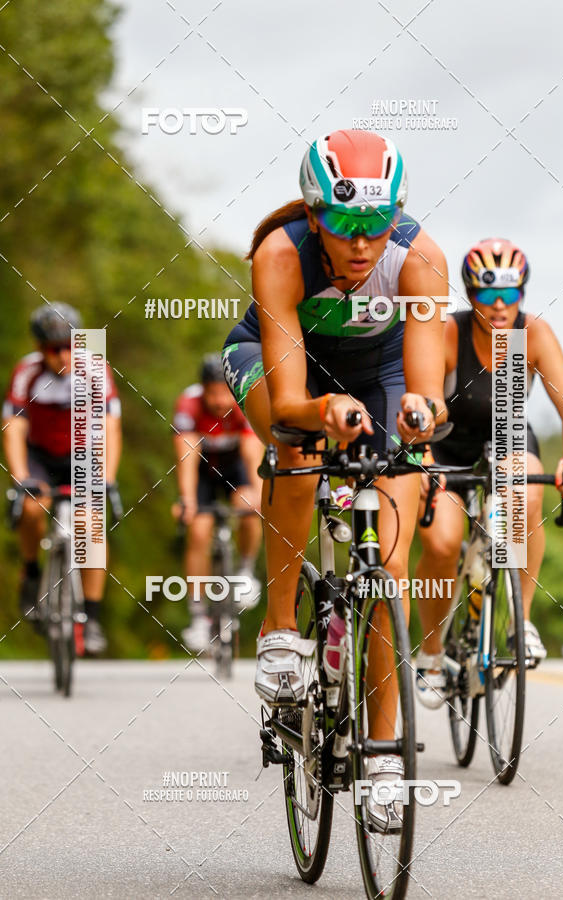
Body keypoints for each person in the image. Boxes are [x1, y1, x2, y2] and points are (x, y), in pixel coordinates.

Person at [222, 128, 448, 829]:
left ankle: (384, 755)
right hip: (282, 364)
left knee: (389, 557)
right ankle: (282, 631)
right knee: (298, 446)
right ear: (316, 214)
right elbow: (291, 404)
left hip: (377, 373)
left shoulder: (420, 261)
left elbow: (426, 394)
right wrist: (323, 409)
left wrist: (419, 418)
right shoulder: (281, 253)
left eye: (375, 225)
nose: (360, 243)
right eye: (345, 225)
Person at [414, 238, 563, 708]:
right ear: (470, 296)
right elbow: (427, 404)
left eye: (509, 295)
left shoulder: (534, 334)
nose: (499, 306)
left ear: (522, 294)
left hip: (507, 435)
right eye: (487, 296)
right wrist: (425, 462)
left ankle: (518, 620)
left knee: (525, 496)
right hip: (448, 441)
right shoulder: (450, 332)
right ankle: (431, 654)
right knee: (442, 543)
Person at [2, 303, 122, 654]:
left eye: (72, 345)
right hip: (40, 456)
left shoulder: (96, 371)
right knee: (32, 508)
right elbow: (13, 427)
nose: (64, 355)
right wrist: (20, 476)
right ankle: (30, 573)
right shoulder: (26, 372)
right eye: (55, 348)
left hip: (82, 456)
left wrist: (107, 478)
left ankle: (93, 618)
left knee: (91, 525)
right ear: (40, 348)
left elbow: (111, 429)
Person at [173, 354, 263, 653]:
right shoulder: (189, 404)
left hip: (235, 468)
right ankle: (199, 615)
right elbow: (185, 457)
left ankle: (246, 571)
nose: (219, 400)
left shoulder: (244, 401)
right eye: (212, 392)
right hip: (202, 471)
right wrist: (186, 500)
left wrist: (258, 492)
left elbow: (253, 451)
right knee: (199, 531)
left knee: (249, 505)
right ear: (202, 389)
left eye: (224, 392)